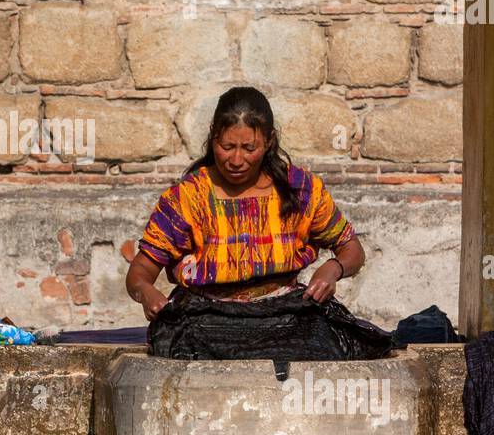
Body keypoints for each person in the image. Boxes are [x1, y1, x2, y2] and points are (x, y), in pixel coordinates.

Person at [125, 86, 365, 320]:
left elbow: (351, 248)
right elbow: (140, 272)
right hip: (204, 319)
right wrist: (146, 292)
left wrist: (334, 268)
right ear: (213, 136)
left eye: (249, 148)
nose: (236, 160)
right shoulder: (187, 198)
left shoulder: (301, 190)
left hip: (283, 316)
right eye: (226, 147)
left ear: (269, 141)